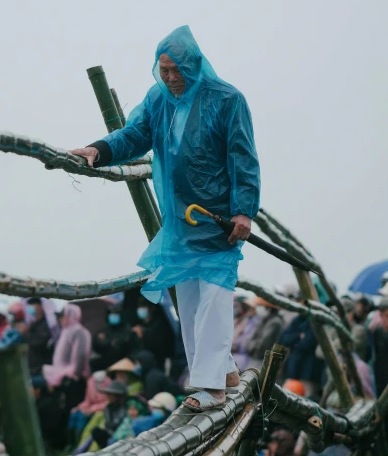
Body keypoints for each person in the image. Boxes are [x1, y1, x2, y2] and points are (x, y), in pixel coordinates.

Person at [71, 25, 260, 409]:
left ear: (193, 66)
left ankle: (210, 388)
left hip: (219, 221)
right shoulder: (158, 99)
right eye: (164, 70)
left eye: (177, 70)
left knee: (214, 302)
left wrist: (244, 211)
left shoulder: (227, 100)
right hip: (180, 221)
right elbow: (134, 134)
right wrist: (99, 150)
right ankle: (222, 370)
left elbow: (243, 157)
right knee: (189, 305)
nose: (171, 78)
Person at [42, 304, 91, 409]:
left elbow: (81, 355)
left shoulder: (79, 331)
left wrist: (74, 374)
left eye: (63, 316)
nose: (60, 319)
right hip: (62, 376)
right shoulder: (66, 330)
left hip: (73, 379)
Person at [280, 314, 323, 398]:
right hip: (293, 370)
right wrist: (299, 336)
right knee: (285, 396)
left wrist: (295, 341)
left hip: (309, 372)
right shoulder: (297, 319)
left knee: (306, 400)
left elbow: (307, 343)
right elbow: (284, 338)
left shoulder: (316, 322)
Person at [132, 297, 175, 369]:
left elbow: (160, 346)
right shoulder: (140, 325)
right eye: (140, 306)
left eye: (144, 306)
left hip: (157, 364)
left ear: (152, 308)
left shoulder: (160, 325)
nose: (141, 309)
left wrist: (143, 334)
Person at [92, 304, 136, 371]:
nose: (113, 316)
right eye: (111, 313)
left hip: (120, 363)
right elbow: (96, 343)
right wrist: (109, 343)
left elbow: (119, 347)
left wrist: (106, 342)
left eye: (115, 314)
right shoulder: (107, 328)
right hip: (104, 361)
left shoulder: (127, 329)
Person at [246, 298, 284, 368]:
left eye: (260, 305)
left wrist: (251, 347)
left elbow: (263, 345)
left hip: (261, 360)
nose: (258, 308)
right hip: (255, 357)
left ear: (268, 307)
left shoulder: (274, 322)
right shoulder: (265, 319)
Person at [24, 297, 54, 375]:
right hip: (33, 368)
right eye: (29, 305)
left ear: (40, 307)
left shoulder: (45, 324)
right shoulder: (32, 324)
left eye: (33, 304)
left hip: (41, 368)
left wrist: (26, 334)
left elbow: (39, 342)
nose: (30, 307)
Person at [231, 296, 258, 371]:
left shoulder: (252, 322)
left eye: (236, 306)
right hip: (233, 356)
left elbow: (245, 342)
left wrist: (234, 345)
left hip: (241, 359)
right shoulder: (237, 319)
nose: (234, 308)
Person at [370, 297, 388, 396]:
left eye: (387, 315)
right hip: (381, 380)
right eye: (381, 315)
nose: (384, 319)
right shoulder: (378, 332)